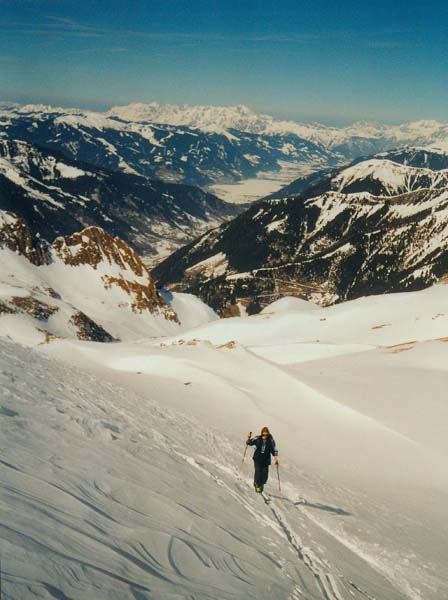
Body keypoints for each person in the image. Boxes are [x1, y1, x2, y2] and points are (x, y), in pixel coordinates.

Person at [246, 427, 279, 493]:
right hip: (257, 458)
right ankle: (257, 485)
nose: (264, 436)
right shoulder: (258, 438)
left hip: (266, 460)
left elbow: (274, 450)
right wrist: (248, 438)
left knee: (264, 475)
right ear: (261, 434)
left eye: (266, 435)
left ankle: (261, 484)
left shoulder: (270, 440)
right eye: (263, 435)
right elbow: (250, 442)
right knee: (258, 473)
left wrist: (276, 461)